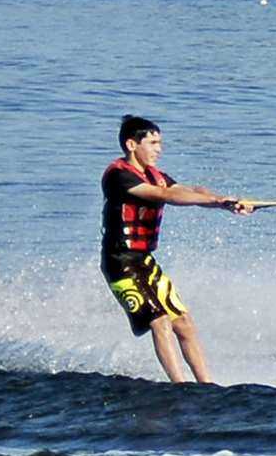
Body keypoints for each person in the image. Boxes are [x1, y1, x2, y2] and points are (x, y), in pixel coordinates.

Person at [102, 114, 260, 383]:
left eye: (160, 143)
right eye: (152, 143)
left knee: (184, 323)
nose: (159, 149)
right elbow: (167, 196)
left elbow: (189, 189)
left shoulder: (156, 175)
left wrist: (223, 202)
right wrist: (217, 201)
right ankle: (180, 386)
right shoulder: (119, 177)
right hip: (120, 263)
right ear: (131, 144)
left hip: (145, 261)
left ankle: (206, 385)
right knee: (160, 321)